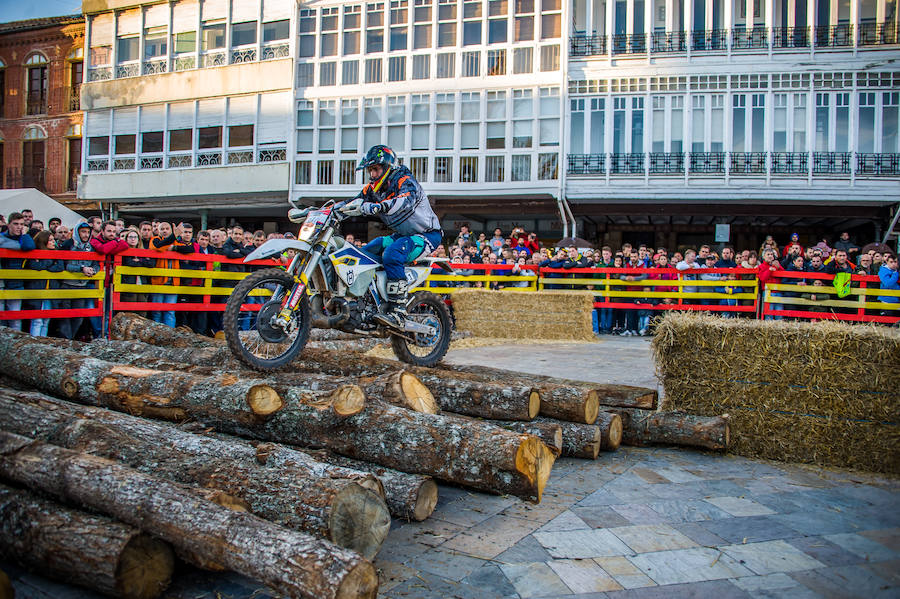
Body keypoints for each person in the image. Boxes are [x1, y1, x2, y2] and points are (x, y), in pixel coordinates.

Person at [339, 145, 443, 329]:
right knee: (367, 250)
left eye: (375, 169)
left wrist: (380, 206)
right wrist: (327, 211)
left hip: (427, 235)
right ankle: (368, 302)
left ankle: (398, 310)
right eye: (370, 170)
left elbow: (405, 200)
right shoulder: (372, 189)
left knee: (392, 254)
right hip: (402, 235)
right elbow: (352, 203)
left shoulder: (405, 180)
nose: (372, 175)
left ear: (387, 167)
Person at [59, 223, 101, 339]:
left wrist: (93, 271)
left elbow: (96, 263)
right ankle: (66, 340)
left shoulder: (91, 247)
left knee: (78, 316)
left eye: (88, 232)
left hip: (82, 285)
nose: (86, 234)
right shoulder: (69, 244)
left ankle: (71, 338)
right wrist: (81, 269)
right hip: (67, 285)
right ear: (77, 232)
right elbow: (64, 265)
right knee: (65, 316)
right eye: (83, 231)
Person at [0, 212, 36, 330]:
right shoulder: (2, 237)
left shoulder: (23, 238)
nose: (19, 227)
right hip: (2, 282)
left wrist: (24, 235)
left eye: (21, 224)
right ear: (9, 224)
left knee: (15, 319)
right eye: (16, 224)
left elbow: (29, 246)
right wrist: (19, 245)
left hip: (16, 283)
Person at [26, 230, 64, 336]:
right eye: (50, 240)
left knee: (46, 320)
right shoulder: (34, 253)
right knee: (37, 320)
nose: (53, 243)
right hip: (38, 290)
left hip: (51, 290)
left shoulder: (57, 253)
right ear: (43, 241)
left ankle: (43, 342)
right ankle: (36, 343)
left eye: (53, 240)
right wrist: (51, 262)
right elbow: (36, 266)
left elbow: (60, 267)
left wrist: (46, 264)